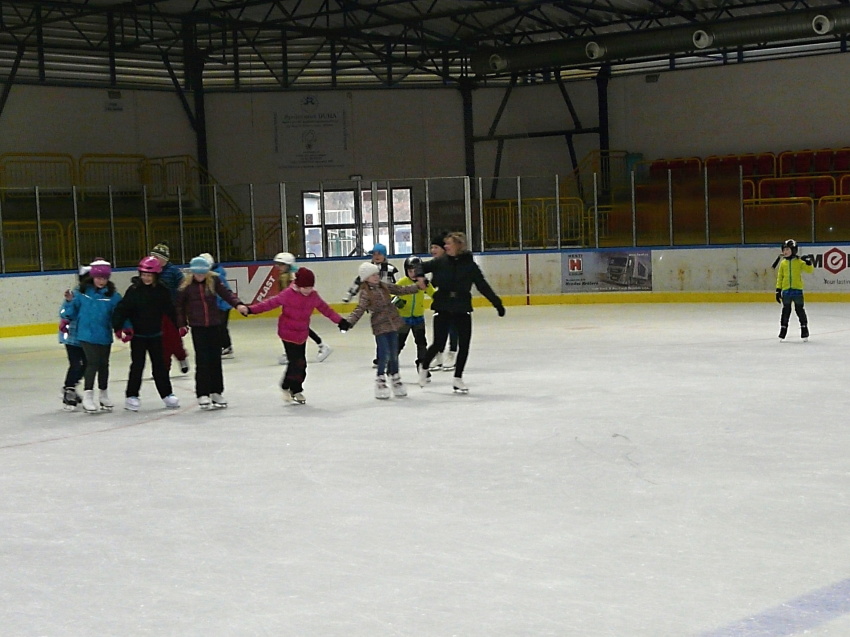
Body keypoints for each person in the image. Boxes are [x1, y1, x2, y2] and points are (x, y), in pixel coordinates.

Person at [416, 232, 505, 394]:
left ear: (458, 245)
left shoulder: (470, 266)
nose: (445, 247)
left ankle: (458, 378)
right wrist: (421, 277)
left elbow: (482, 285)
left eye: (448, 244)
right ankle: (424, 366)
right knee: (439, 343)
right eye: (445, 244)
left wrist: (497, 303)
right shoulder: (440, 262)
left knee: (464, 345)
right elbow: (418, 266)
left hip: (462, 307)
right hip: (443, 305)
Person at [246, 267, 344, 405]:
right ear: (298, 285)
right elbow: (269, 304)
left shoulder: (313, 296)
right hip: (287, 333)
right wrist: (251, 310)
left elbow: (326, 310)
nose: (308, 290)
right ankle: (287, 386)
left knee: (302, 364)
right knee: (295, 363)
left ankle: (296, 389)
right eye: (305, 287)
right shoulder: (288, 294)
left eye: (310, 287)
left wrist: (340, 321)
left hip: (301, 334)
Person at [340, 261, 425, 399]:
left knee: (394, 353)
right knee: (384, 353)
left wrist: (417, 287)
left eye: (377, 274)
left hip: (393, 323)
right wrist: (349, 322)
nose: (376, 277)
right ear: (366, 278)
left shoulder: (384, 286)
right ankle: (380, 379)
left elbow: (400, 290)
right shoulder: (365, 293)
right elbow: (360, 309)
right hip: (380, 326)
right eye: (372, 275)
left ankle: (395, 377)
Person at [175, 256, 248, 409]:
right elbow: (179, 306)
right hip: (198, 327)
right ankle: (202, 393)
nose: (200, 277)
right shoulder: (186, 286)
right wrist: (182, 324)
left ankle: (216, 392)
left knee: (215, 360)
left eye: (203, 274)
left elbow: (227, 294)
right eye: (197, 274)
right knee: (202, 361)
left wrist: (238, 305)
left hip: (215, 325)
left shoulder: (214, 281)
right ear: (193, 272)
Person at [111, 256, 181, 411]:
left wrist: (179, 325)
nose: (146, 278)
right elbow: (122, 309)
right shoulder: (134, 290)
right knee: (137, 366)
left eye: (149, 275)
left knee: (160, 366)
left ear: (156, 275)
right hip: (139, 337)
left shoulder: (162, 290)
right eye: (144, 275)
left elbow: (170, 309)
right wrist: (118, 326)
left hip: (156, 335)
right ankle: (131, 396)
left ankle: (167, 394)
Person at [60, 258, 123, 413]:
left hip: (103, 335)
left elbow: (119, 314)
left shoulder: (113, 296)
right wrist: (68, 307)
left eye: (104, 278)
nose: (101, 281)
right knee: (89, 363)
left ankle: (103, 394)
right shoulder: (81, 293)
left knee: (103, 364)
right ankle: (82, 393)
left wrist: (122, 327)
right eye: (98, 278)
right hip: (82, 335)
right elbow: (70, 311)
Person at [342, 243, 399, 367]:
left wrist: (396, 300)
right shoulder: (367, 269)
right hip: (375, 307)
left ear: (384, 255)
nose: (376, 256)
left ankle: (388, 357)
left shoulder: (390, 269)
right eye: (374, 254)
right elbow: (358, 282)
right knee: (380, 333)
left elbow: (397, 285)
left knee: (389, 333)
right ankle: (381, 358)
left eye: (379, 254)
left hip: (389, 306)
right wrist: (349, 295)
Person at [273, 252, 332, 365]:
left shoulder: (292, 277)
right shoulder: (285, 276)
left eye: (281, 264)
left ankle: (322, 345)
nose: (279, 267)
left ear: (288, 265)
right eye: (278, 264)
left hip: (299, 308)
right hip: (292, 308)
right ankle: (292, 351)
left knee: (301, 328)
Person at [150, 241, 190, 375]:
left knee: (174, 339)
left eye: (157, 257)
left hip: (172, 311)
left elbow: (183, 287)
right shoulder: (151, 271)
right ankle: (162, 368)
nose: (154, 259)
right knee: (159, 341)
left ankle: (181, 357)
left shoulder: (173, 272)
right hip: (156, 312)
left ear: (164, 259)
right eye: (152, 256)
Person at [393, 255, 436, 381]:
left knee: (421, 343)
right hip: (403, 319)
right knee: (399, 343)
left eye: (416, 271)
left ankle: (422, 366)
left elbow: (434, 294)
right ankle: (391, 365)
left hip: (418, 318)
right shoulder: (402, 282)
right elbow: (392, 293)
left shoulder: (424, 283)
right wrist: (396, 301)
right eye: (410, 271)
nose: (413, 273)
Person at [428, 233, 459, 371]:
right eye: (432, 247)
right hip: (441, 302)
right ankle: (439, 355)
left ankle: (452, 353)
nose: (433, 250)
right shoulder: (436, 264)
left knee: (453, 327)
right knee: (439, 328)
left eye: (436, 247)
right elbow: (434, 284)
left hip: (454, 301)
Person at [775, 238, 815, 342]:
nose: (785, 252)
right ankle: (783, 330)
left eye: (787, 249)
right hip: (786, 291)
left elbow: (809, 270)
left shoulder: (799, 262)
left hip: (797, 291)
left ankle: (804, 329)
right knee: (786, 311)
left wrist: (808, 263)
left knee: (799, 310)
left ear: (793, 250)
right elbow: (780, 277)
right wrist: (778, 290)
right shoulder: (783, 263)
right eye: (784, 250)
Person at [199, 252, 236, 359]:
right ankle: (219, 346)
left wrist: (217, 305)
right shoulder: (210, 275)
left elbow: (222, 292)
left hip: (222, 306)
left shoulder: (217, 276)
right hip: (218, 306)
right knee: (217, 327)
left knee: (221, 327)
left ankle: (226, 347)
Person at [58, 286, 86, 411]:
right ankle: (69, 389)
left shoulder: (96, 296)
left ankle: (71, 387)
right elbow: (64, 313)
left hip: (87, 337)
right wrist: (70, 302)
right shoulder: (75, 294)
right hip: (72, 337)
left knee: (87, 364)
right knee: (76, 364)